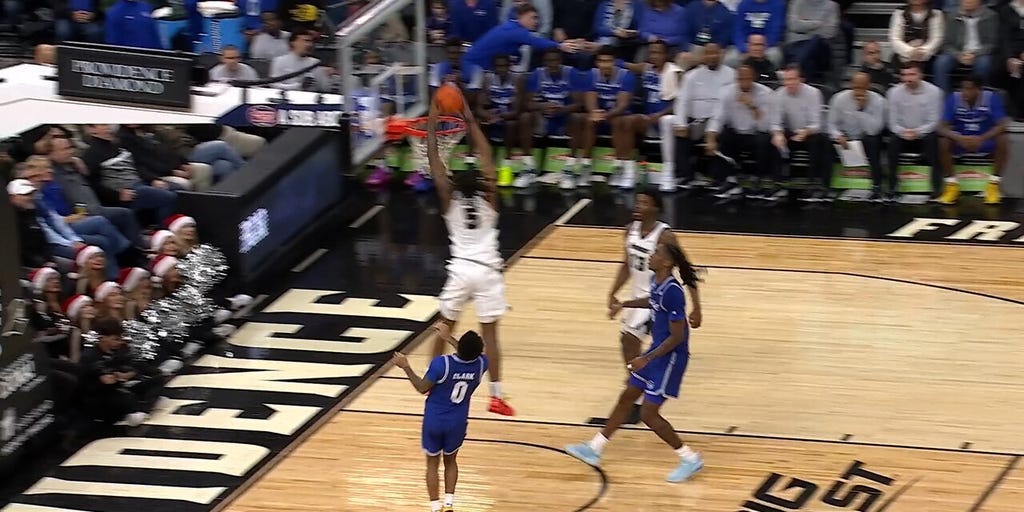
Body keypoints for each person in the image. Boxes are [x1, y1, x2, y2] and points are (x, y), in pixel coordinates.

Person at [566, 242, 704, 482]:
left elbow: (678, 336)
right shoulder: (657, 282)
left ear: (667, 262)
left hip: (670, 358)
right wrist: (624, 304)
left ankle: (690, 458)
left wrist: (646, 358)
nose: (651, 255)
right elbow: (652, 300)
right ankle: (594, 448)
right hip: (655, 352)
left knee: (649, 415)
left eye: (657, 253)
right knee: (628, 396)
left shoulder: (673, 291)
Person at [425, 96, 514, 416]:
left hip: (461, 269)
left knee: (443, 327)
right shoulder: (490, 200)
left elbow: (436, 165)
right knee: (491, 335)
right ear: (479, 184)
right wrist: (469, 118)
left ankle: (432, 381)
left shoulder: (449, 201)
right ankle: (496, 395)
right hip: (488, 270)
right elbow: (487, 156)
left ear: (455, 185)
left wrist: (433, 124)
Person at [605, 186, 685, 423]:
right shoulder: (629, 231)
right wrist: (612, 292)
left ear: (655, 208)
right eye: (637, 202)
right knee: (628, 345)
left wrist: (697, 305)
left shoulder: (665, 235)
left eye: (644, 203)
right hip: (637, 297)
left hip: (657, 297)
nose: (638, 207)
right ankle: (640, 385)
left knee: (632, 340)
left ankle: (640, 391)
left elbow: (685, 267)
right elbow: (626, 265)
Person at [392, 323, 487, 512]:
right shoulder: (482, 364)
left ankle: (435, 507)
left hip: (435, 420)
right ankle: (449, 502)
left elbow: (422, 387)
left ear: (460, 347)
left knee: (432, 463)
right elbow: (468, 354)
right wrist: (449, 339)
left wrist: (406, 367)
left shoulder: (441, 364)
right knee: (451, 461)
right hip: (457, 421)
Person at [461, 3, 577, 86]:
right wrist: (561, 46)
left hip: (479, 66)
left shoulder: (511, 26)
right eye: (533, 18)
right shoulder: (516, 31)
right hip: (472, 65)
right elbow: (538, 42)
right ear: (521, 16)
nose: (536, 22)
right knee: (477, 88)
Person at [518, 48, 586, 189]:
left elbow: (580, 103)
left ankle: (570, 169)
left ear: (561, 61)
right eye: (549, 61)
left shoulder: (571, 73)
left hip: (565, 117)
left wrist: (561, 110)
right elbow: (527, 103)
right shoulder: (537, 74)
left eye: (555, 60)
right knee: (525, 117)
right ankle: (528, 167)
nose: (552, 64)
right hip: (543, 118)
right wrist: (542, 106)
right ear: (544, 62)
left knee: (578, 117)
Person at [705, 64, 776, 199]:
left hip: (756, 134)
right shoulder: (726, 92)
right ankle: (730, 180)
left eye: (747, 78)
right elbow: (717, 118)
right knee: (723, 135)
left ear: (754, 78)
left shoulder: (765, 93)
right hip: (736, 133)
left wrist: (752, 106)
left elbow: (766, 125)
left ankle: (758, 179)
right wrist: (710, 139)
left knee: (764, 139)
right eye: (740, 79)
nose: (744, 82)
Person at [936, 75, 1008, 204]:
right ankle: (952, 185)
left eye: (969, 89)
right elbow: (941, 126)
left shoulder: (991, 98)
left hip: (984, 140)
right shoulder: (953, 98)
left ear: (978, 90)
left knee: (1003, 138)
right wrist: (959, 137)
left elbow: (1003, 124)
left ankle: (993, 185)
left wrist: (981, 138)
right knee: (943, 141)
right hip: (961, 140)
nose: (964, 92)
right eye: (963, 88)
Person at [673, 43, 735, 189]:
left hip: (721, 120)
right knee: (680, 133)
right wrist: (681, 124)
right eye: (708, 53)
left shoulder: (732, 75)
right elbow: (682, 101)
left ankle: (719, 178)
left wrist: (713, 127)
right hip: (697, 120)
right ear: (703, 56)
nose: (712, 57)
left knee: (725, 134)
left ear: (721, 55)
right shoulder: (691, 76)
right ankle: (685, 175)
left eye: (715, 53)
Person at [627, 40, 684, 192]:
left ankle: (668, 171)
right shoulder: (647, 68)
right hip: (649, 120)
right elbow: (627, 66)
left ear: (666, 55)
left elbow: (680, 103)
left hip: (669, 120)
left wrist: (660, 114)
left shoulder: (676, 72)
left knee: (667, 120)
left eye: (658, 52)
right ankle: (629, 169)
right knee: (629, 121)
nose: (654, 55)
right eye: (652, 52)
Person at [580, 45, 638, 188]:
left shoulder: (626, 76)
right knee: (588, 120)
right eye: (601, 61)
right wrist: (594, 113)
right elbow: (590, 97)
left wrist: (605, 115)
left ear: (614, 62)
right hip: (601, 116)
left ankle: (620, 168)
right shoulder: (591, 74)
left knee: (619, 121)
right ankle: (585, 166)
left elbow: (623, 105)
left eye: (608, 61)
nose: (605, 64)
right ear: (597, 62)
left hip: (618, 116)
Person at [771, 65, 830, 202]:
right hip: (790, 132)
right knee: (774, 139)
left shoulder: (813, 93)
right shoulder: (779, 94)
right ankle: (778, 183)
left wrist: (806, 132)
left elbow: (817, 123)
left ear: (801, 79)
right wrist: (778, 134)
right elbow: (775, 122)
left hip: (809, 132)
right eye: (786, 80)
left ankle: (813, 184)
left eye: (792, 79)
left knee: (819, 141)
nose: (789, 83)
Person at [827, 72, 888, 201]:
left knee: (873, 141)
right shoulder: (839, 99)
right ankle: (826, 186)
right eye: (856, 87)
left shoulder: (878, 101)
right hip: (845, 138)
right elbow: (831, 124)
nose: (858, 92)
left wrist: (861, 109)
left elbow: (874, 130)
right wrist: (838, 135)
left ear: (869, 86)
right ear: (851, 85)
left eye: (862, 88)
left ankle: (876, 185)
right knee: (825, 141)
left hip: (866, 137)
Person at [887, 62, 943, 198]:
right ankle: (892, 186)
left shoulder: (934, 92)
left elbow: (934, 121)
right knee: (892, 142)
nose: (908, 79)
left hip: (925, 133)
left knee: (934, 140)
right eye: (904, 75)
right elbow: (892, 122)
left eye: (912, 74)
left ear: (921, 75)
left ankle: (936, 186)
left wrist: (918, 131)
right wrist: (903, 132)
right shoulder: (893, 93)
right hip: (903, 134)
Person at [933, 0, 997, 92]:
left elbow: (991, 43)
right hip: (958, 52)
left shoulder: (990, 16)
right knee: (941, 63)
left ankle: (978, 97)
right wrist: (958, 55)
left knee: (984, 65)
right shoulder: (952, 15)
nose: (967, 1)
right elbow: (947, 43)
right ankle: (944, 99)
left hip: (980, 53)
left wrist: (975, 54)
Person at [471, 55, 525, 164]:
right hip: (492, 114)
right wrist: (487, 115)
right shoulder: (487, 79)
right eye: (498, 66)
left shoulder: (518, 79)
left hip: (509, 115)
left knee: (512, 124)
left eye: (504, 66)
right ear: (494, 67)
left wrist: (501, 116)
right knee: (476, 120)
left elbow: (518, 110)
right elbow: (478, 107)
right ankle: (478, 156)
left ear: (509, 66)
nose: (501, 69)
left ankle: (508, 157)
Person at [727, 0, 785, 68]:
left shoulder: (777, 4)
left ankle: (768, 77)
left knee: (775, 56)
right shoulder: (743, 4)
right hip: (746, 45)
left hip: (767, 46)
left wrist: (760, 47)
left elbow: (775, 30)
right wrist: (744, 48)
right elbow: (738, 30)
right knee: (730, 59)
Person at [888, 0, 944, 71]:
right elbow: (894, 38)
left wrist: (923, 51)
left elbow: (937, 39)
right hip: (904, 55)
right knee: (895, 59)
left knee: (938, 63)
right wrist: (910, 51)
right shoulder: (899, 13)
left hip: (929, 56)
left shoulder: (936, 13)